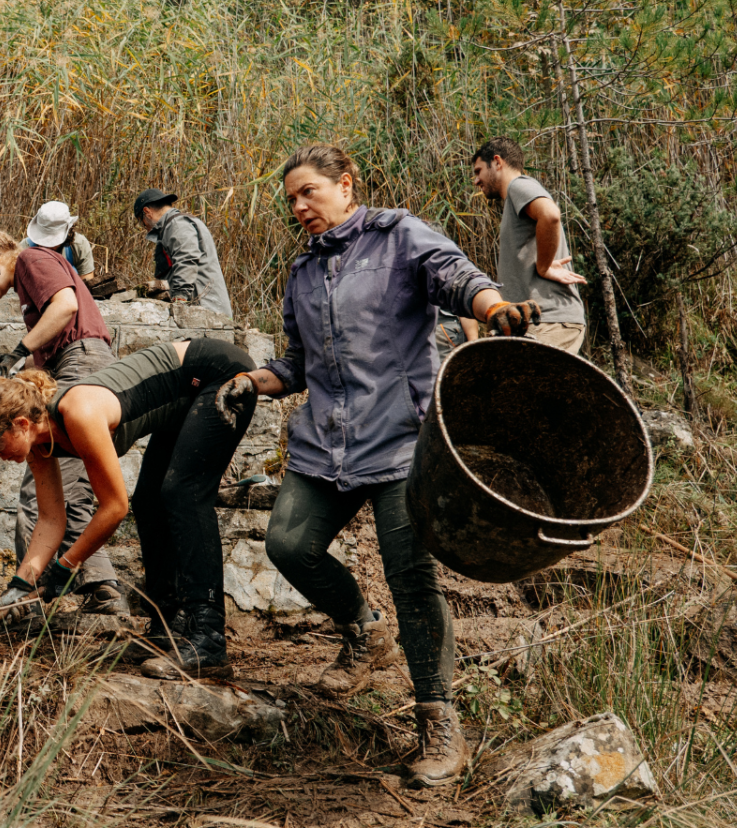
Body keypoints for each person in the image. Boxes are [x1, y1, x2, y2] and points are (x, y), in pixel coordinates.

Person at [211, 143, 541, 787]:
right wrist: (255, 379)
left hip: (399, 442)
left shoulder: (398, 238)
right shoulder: (303, 274)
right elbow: (299, 363)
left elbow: (455, 276)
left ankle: (438, 721)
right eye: (291, 201)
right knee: (288, 545)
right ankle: (363, 629)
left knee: (411, 577)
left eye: (309, 192)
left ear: (345, 184)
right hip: (324, 442)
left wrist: (494, 307)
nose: (300, 207)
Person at [0, 337, 259, 680]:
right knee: (149, 501)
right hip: (183, 397)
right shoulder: (39, 444)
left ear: (21, 424)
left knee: (183, 493)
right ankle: (167, 628)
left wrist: (67, 566)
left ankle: (208, 639)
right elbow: (50, 519)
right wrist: (21, 585)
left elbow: (114, 508)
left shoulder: (79, 413)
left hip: (217, 374)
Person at [0, 214, 126, 615]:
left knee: (42, 489)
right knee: (75, 485)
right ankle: (102, 589)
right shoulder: (29, 274)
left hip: (79, 363)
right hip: (76, 362)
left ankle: (27, 600)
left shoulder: (31, 260)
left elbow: (65, 305)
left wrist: (18, 350)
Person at [471, 137, 587, 354]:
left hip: (548, 319)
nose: (476, 181)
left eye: (478, 171)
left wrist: (544, 266)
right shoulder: (515, 199)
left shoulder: (518, 185)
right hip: (537, 323)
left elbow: (551, 215)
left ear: (497, 162)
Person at [133, 189, 232, 318]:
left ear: (147, 212)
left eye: (141, 221)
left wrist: (180, 299)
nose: (144, 227)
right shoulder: (174, 225)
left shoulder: (178, 225)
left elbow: (187, 259)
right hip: (205, 310)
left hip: (207, 311)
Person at [15, 201, 96, 281]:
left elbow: (86, 285)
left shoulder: (79, 245)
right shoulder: (23, 250)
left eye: (50, 241)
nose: (45, 245)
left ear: (68, 232)